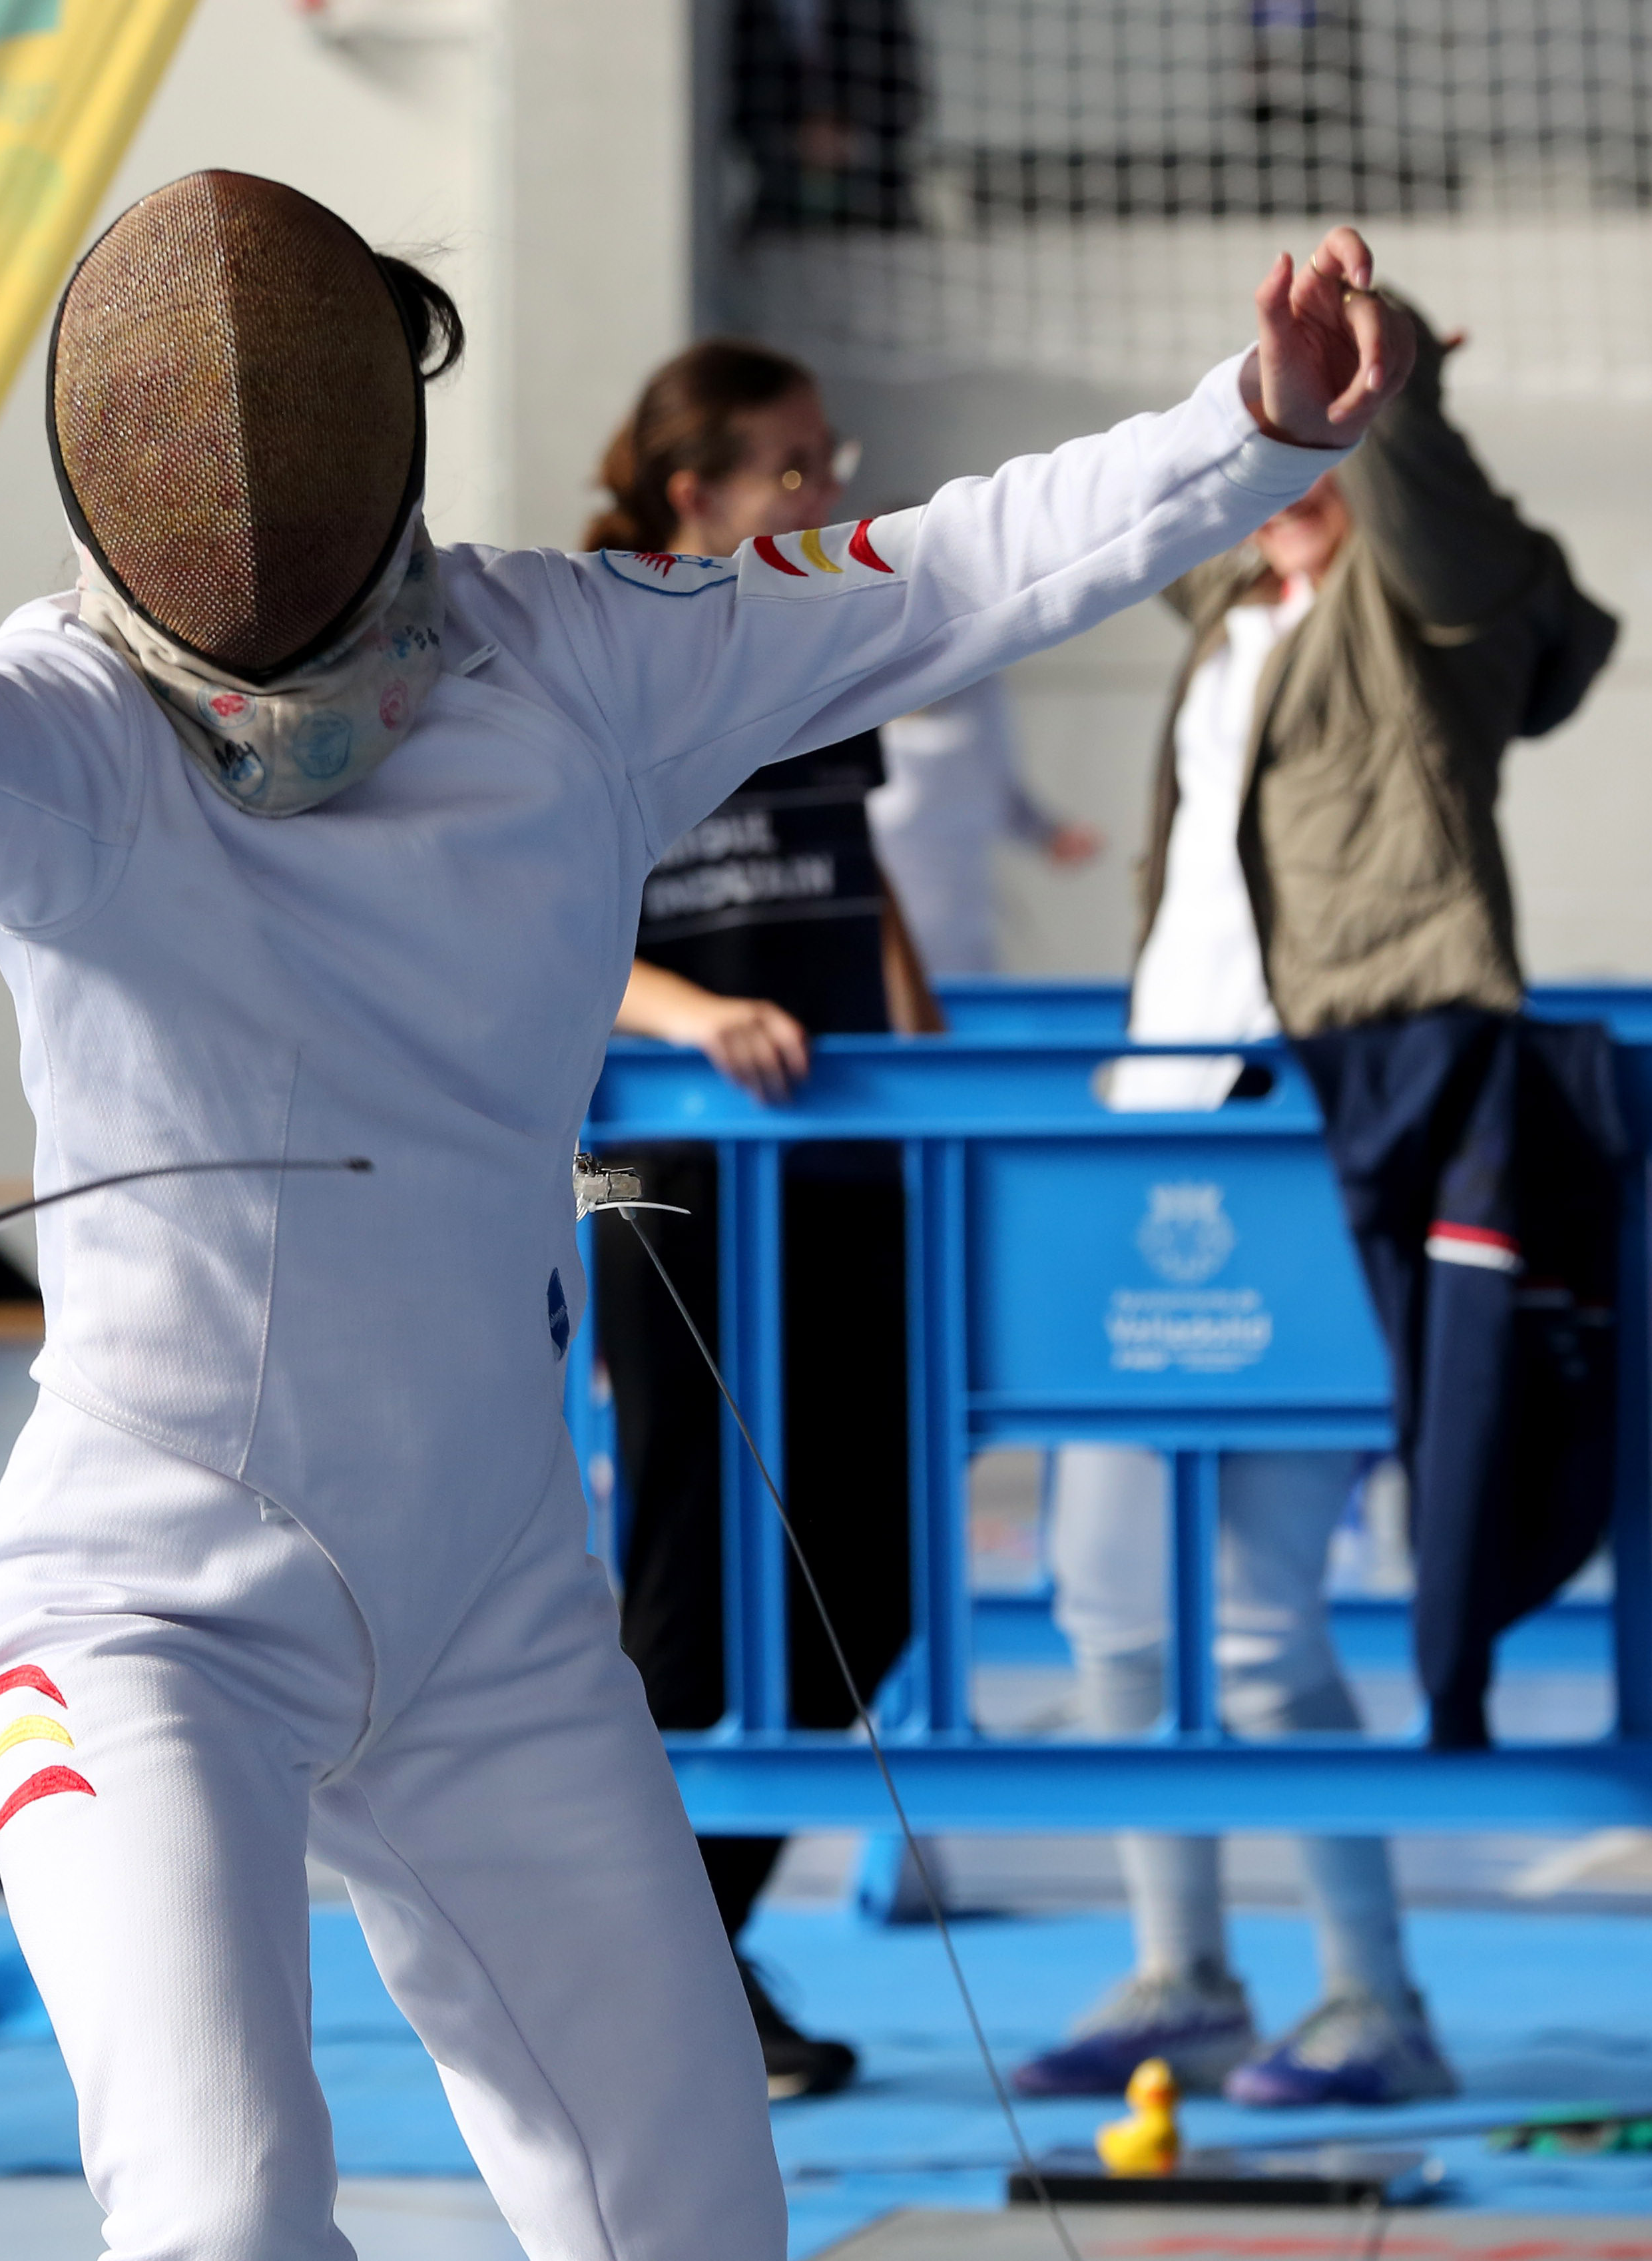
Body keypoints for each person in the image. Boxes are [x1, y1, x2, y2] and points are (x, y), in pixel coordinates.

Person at [0, 166, 1402, 2258]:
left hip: (493, 1626)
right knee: (222, 2212)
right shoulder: (73, 732)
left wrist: (1248, 432)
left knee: (694, 2219)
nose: (253, 525)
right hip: (144, 1627)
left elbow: (937, 573)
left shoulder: (576, 662)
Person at [1018, 296, 1615, 2111]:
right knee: (1104, 1597)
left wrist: (1397, 400)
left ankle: (1375, 1996)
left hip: (1321, 1129)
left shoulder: (1428, 611)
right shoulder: (1219, 615)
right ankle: (1176, 1968)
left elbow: (1463, 551)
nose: (1281, 463)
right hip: (1154, 1134)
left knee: (1264, 1619)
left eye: (1319, 434)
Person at [582, 337, 938, 2099]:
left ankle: (681, 1941)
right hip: (677, 1177)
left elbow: (856, 879)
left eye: (826, 459)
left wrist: (922, 1041)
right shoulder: (590, 658)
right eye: (790, 470)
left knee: (871, 1565)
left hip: (844, 1156)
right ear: (690, 496)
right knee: (690, 1580)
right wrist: (683, 1014)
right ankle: (657, 1974)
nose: (826, 494)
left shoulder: (823, 642)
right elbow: (535, 915)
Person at [870, 674, 1103, 977]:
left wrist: (1050, 833)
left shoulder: (981, 688)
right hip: (878, 931)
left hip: (961, 928)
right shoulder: (850, 687)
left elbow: (1002, 789)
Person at [732, 0, 927, 232]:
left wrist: (849, 138)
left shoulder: (880, 8)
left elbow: (909, 102)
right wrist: (796, 140)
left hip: (878, 216)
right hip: (781, 216)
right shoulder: (749, 10)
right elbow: (738, 106)